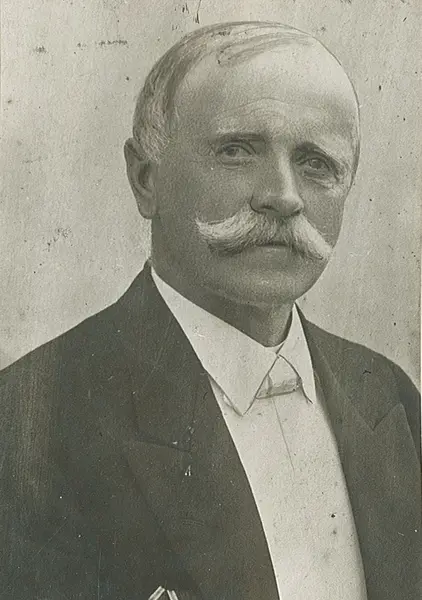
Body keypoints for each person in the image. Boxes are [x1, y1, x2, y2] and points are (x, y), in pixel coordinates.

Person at [1, 21, 420, 600]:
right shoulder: (28, 423)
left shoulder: (389, 397)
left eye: (316, 163)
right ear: (145, 179)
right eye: (236, 151)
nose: (283, 196)